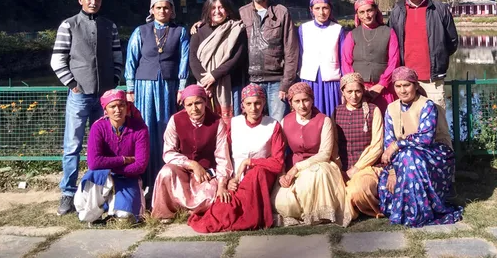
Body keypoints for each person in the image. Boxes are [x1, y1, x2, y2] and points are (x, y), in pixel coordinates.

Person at [50, 0, 123, 216]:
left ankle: (100, 190)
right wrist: (73, 85)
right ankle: (68, 193)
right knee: (72, 146)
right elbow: (57, 59)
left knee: (106, 144)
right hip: (79, 96)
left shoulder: (109, 26)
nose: (94, 2)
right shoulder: (68, 25)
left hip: (105, 98)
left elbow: (117, 55)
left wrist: (114, 80)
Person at [188, 84, 285, 232]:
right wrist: (226, 181)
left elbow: (278, 163)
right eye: (249, 104)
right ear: (243, 105)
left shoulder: (273, 125)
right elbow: (224, 156)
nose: (254, 108)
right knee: (222, 210)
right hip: (235, 179)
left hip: (261, 178)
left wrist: (250, 162)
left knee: (256, 173)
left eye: (258, 103)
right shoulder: (234, 124)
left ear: (264, 103)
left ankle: (252, 217)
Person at [378, 66, 463, 227]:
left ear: (416, 85)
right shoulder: (391, 108)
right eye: (398, 86)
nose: (402, 90)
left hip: (435, 154)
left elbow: (426, 139)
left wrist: (398, 144)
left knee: (410, 157)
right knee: (391, 175)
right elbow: (388, 142)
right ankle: (405, 211)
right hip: (404, 157)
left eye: (407, 85)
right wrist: (392, 170)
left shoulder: (427, 106)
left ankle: (419, 213)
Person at [125, 0, 189, 195]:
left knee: (166, 129)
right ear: (151, 10)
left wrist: (182, 86)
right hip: (144, 86)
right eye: (158, 8)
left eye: (166, 8)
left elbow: (184, 60)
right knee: (146, 129)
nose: (162, 11)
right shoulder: (140, 32)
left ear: (172, 11)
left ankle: (166, 179)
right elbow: (131, 60)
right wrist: (130, 88)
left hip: (169, 87)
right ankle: (144, 179)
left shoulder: (180, 32)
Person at [272, 82, 353, 227]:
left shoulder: (324, 120)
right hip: (293, 167)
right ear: (291, 103)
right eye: (297, 101)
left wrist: (297, 167)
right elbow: (281, 153)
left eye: (306, 100)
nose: (302, 105)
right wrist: (282, 174)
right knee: (282, 201)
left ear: (312, 100)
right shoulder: (286, 121)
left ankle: (321, 214)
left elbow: (325, 153)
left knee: (315, 175)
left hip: (321, 165)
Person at [151, 85, 233, 222]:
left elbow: (222, 157)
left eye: (198, 103)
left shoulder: (217, 122)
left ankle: (188, 212)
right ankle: (166, 213)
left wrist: (222, 184)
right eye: (189, 104)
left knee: (210, 193)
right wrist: (192, 164)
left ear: (205, 102)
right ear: (184, 105)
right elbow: (168, 152)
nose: (194, 108)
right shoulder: (175, 120)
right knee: (165, 172)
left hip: (207, 173)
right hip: (182, 169)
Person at [74, 89, 149, 223]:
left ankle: (111, 206)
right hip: (102, 177)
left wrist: (110, 167)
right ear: (105, 110)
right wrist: (123, 160)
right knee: (92, 180)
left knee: (126, 217)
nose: (117, 110)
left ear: (127, 107)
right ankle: (99, 210)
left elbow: (140, 166)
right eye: (112, 106)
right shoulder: (98, 127)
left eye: (121, 105)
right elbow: (94, 163)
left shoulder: (139, 128)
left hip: (128, 178)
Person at [388, 0, 458, 109]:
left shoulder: (440, 9)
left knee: (439, 126)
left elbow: (452, 42)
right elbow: (391, 44)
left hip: (433, 79)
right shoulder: (397, 12)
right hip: (405, 81)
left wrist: (438, 57)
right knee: (410, 126)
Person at [239, 0, 299, 122]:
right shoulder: (241, 13)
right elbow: (221, 23)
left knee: (278, 126)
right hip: (251, 81)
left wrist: (286, 84)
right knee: (254, 125)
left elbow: (291, 51)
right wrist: (202, 24)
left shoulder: (281, 12)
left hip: (277, 82)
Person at [189, 0, 247, 126]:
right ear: (207, 11)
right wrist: (206, 82)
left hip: (231, 86)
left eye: (221, 7)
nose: (217, 11)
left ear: (228, 10)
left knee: (233, 125)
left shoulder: (237, 29)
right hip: (205, 87)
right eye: (213, 8)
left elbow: (236, 58)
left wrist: (214, 76)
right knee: (209, 126)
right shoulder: (199, 31)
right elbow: (193, 59)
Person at [331, 73, 384, 218]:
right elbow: (334, 143)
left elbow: (377, 146)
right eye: (349, 91)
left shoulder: (373, 110)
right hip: (343, 166)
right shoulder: (337, 112)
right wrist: (339, 167)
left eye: (358, 91)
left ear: (363, 91)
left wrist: (357, 168)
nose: (354, 96)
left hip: (367, 166)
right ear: (342, 92)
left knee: (356, 191)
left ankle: (363, 206)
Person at [342, 0, 399, 114]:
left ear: (375, 11)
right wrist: (356, 86)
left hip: (383, 89)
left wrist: (381, 85)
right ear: (357, 14)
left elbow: (394, 61)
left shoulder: (388, 32)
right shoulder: (352, 35)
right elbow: (346, 62)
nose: (366, 15)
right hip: (358, 91)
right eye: (362, 12)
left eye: (369, 10)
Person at [298, 0, 345, 117]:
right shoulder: (304, 29)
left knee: (331, 115)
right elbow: (300, 54)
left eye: (325, 8)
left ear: (330, 9)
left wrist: (345, 83)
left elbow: (343, 57)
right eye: (317, 8)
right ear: (311, 10)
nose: (321, 12)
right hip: (310, 79)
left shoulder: (338, 29)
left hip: (331, 80)